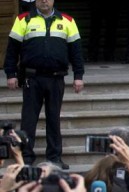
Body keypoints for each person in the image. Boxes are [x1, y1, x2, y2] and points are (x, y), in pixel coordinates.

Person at [3, 0, 85, 169]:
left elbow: (76, 51)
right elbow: (12, 50)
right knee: (28, 120)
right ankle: (26, 157)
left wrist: (79, 75)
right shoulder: (23, 19)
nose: (44, 1)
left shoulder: (67, 21)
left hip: (56, 79)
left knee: (54, 119)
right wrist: (10, 74)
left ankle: (54, 158)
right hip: (31, 79)